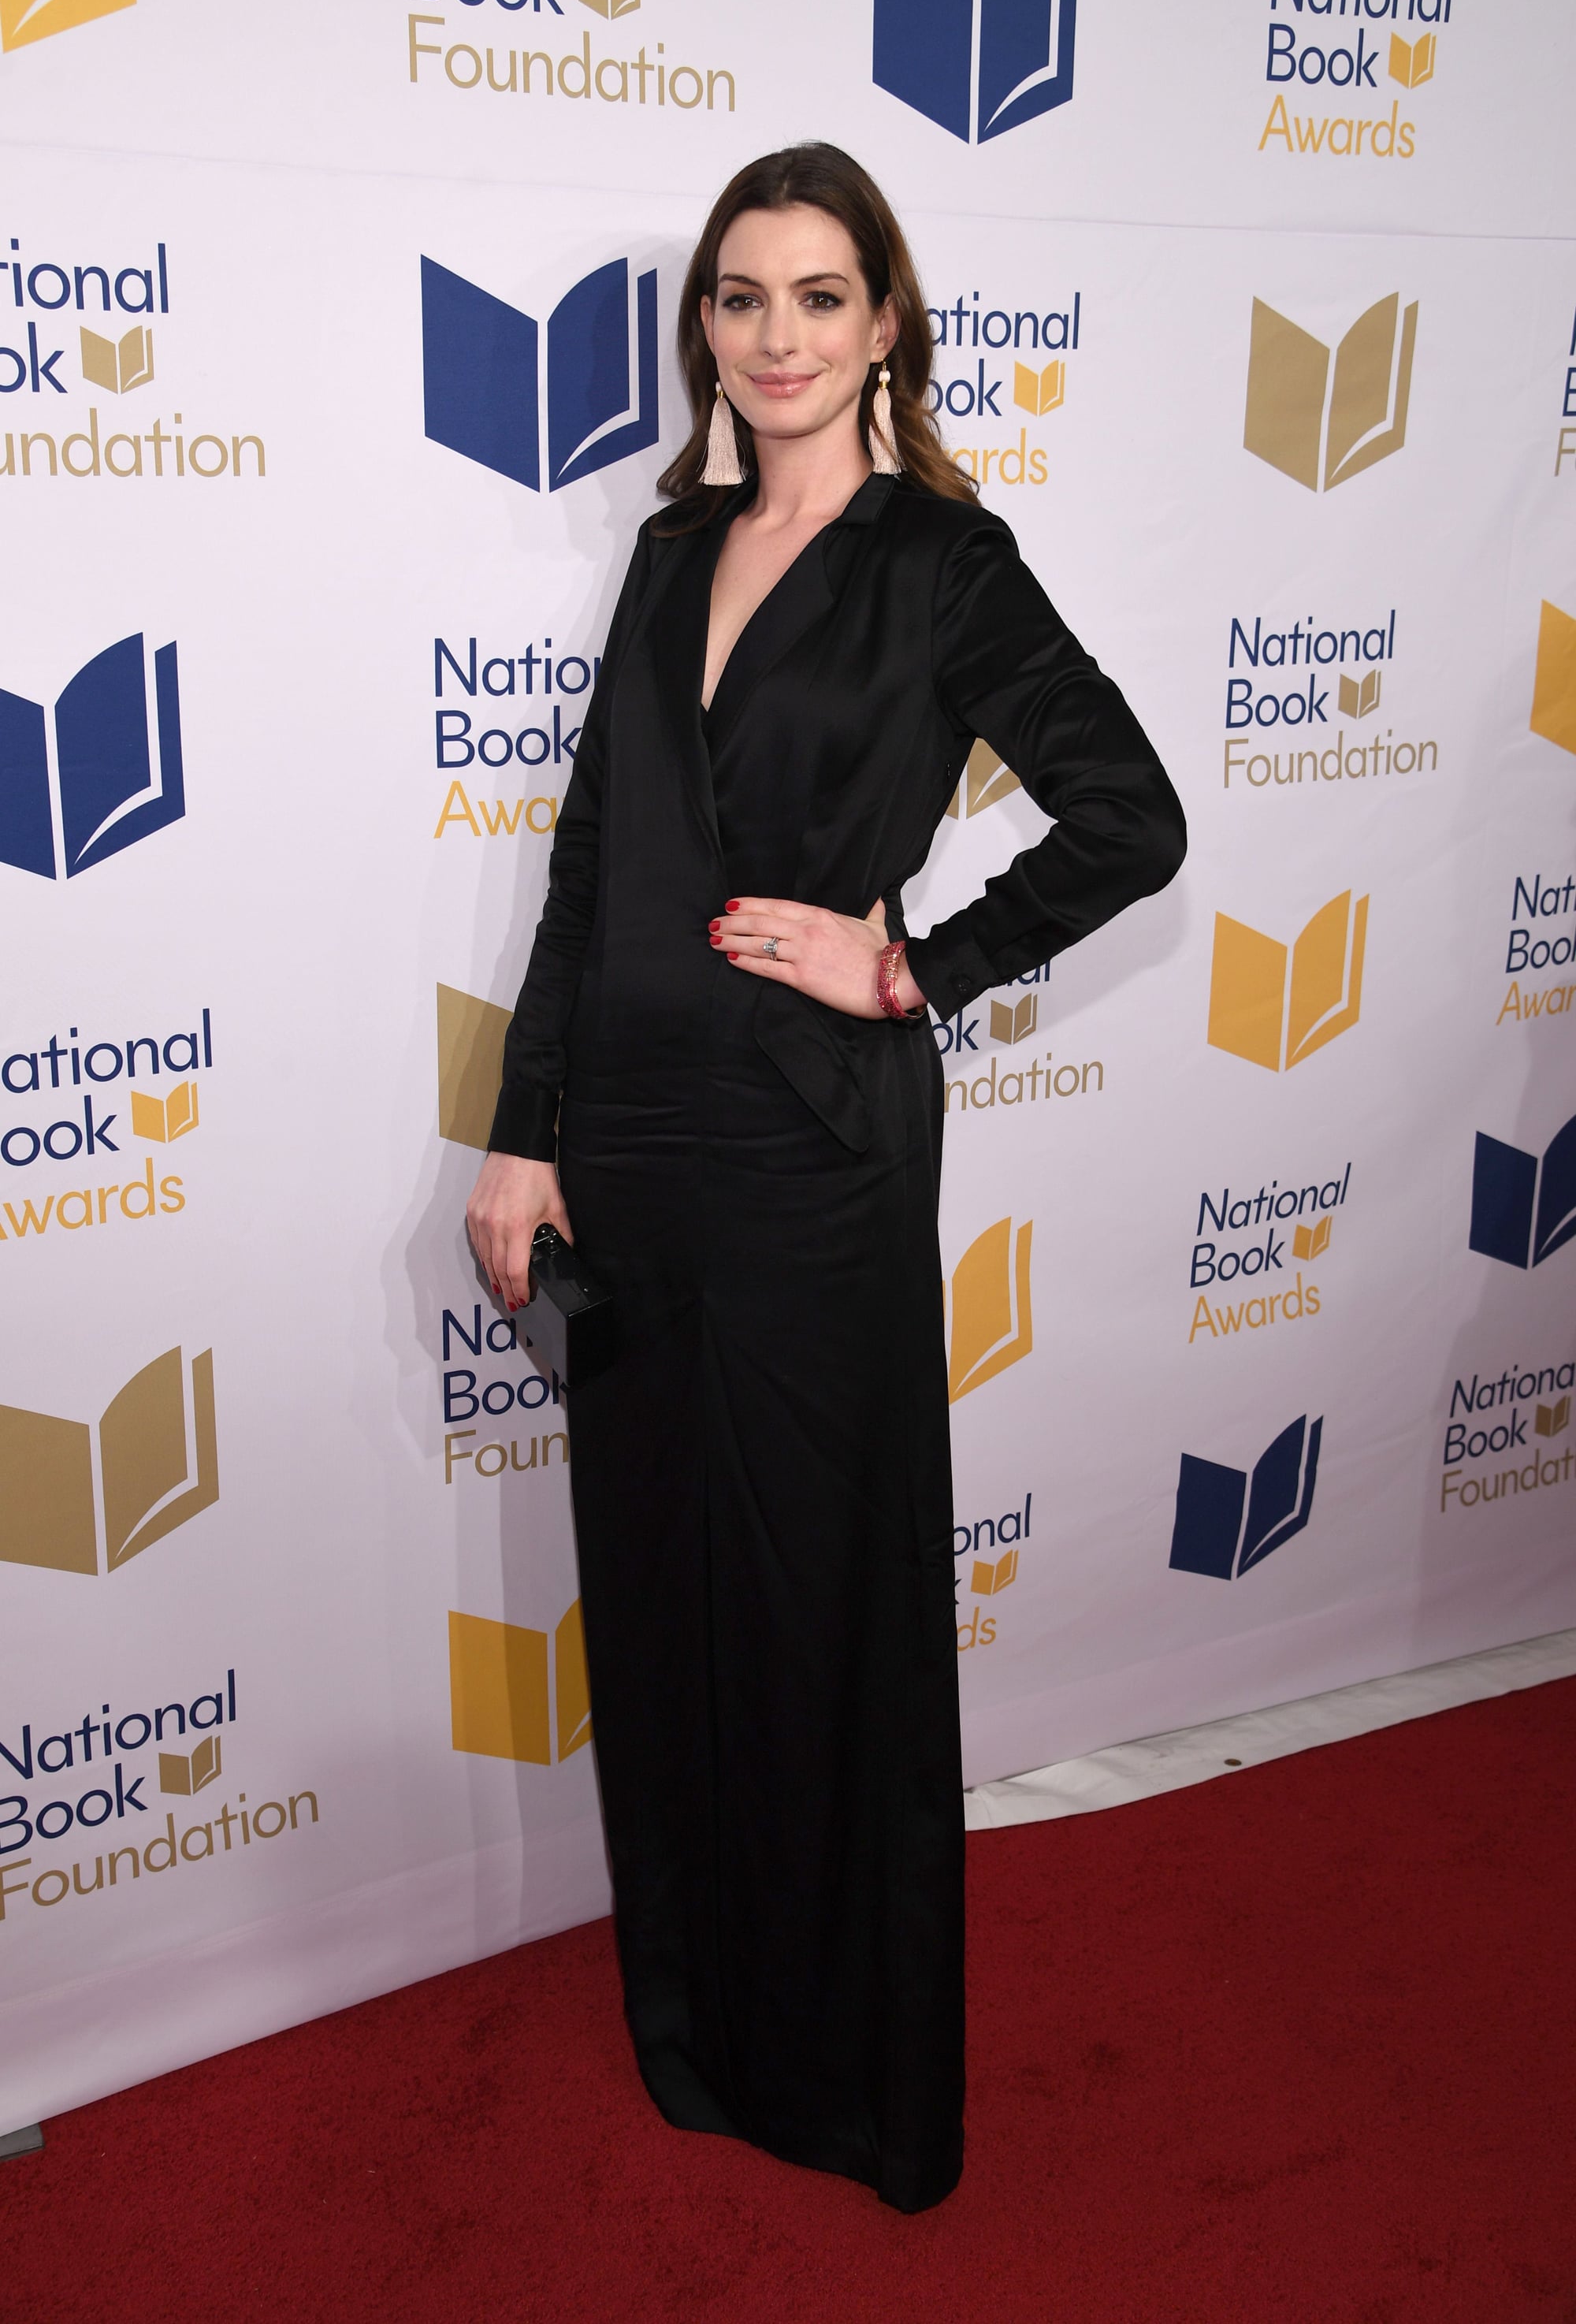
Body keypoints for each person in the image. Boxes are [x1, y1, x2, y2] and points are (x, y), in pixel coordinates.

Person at [466, 143, 1186, 2214]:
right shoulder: (671, 548)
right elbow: (595, 862)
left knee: (817, 1608)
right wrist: (526, 1126)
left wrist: (918, 966)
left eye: (817, 296)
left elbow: (1128, 818)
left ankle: (858, 2083)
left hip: (809, 1151)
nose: (774, 336)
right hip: (635, 1153)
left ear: (886, 325)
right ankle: (704, 2036)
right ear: (706, 328)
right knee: (675, 1604)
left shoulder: (941, 567)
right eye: (739, 297)